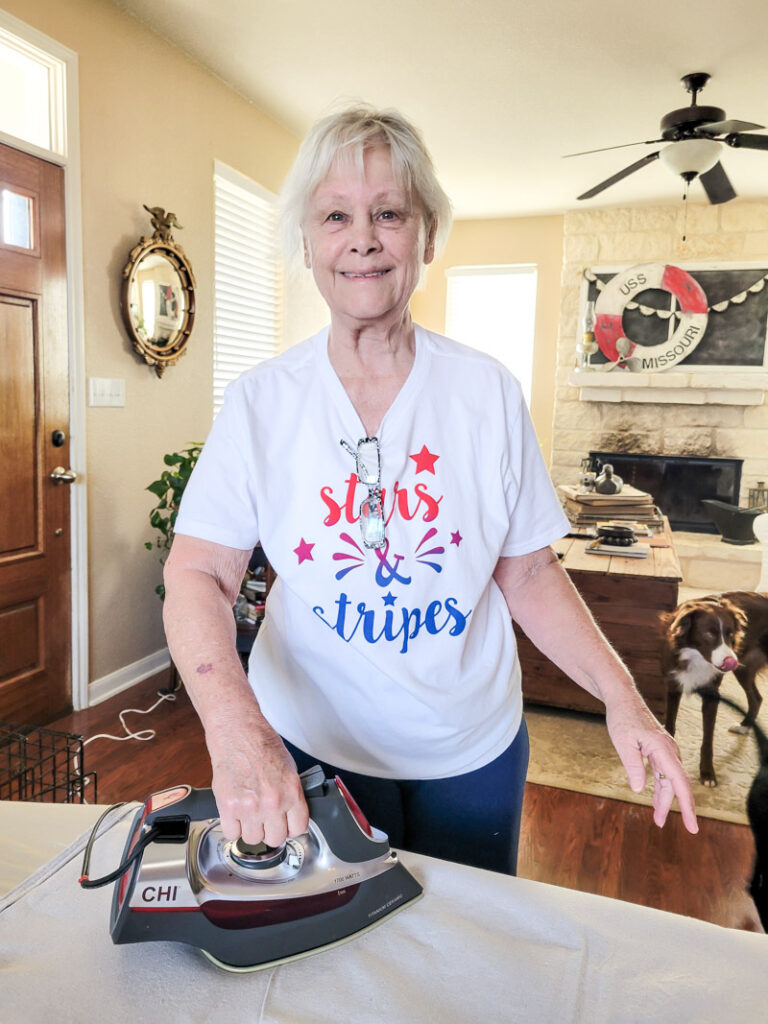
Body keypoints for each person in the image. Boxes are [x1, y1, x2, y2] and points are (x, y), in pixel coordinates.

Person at [163, 105, 698, 875]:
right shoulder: (262, 401)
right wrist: (236, 731)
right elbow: (197, 572)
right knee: (335, 967)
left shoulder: (487, 392)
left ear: (427, 234)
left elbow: (529, 570)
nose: (364, 238)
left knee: (464, 961)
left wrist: (624, 697)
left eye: (390, 213)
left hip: (472, 752)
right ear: (308, 242)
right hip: (311, 745)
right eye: (336, 215)